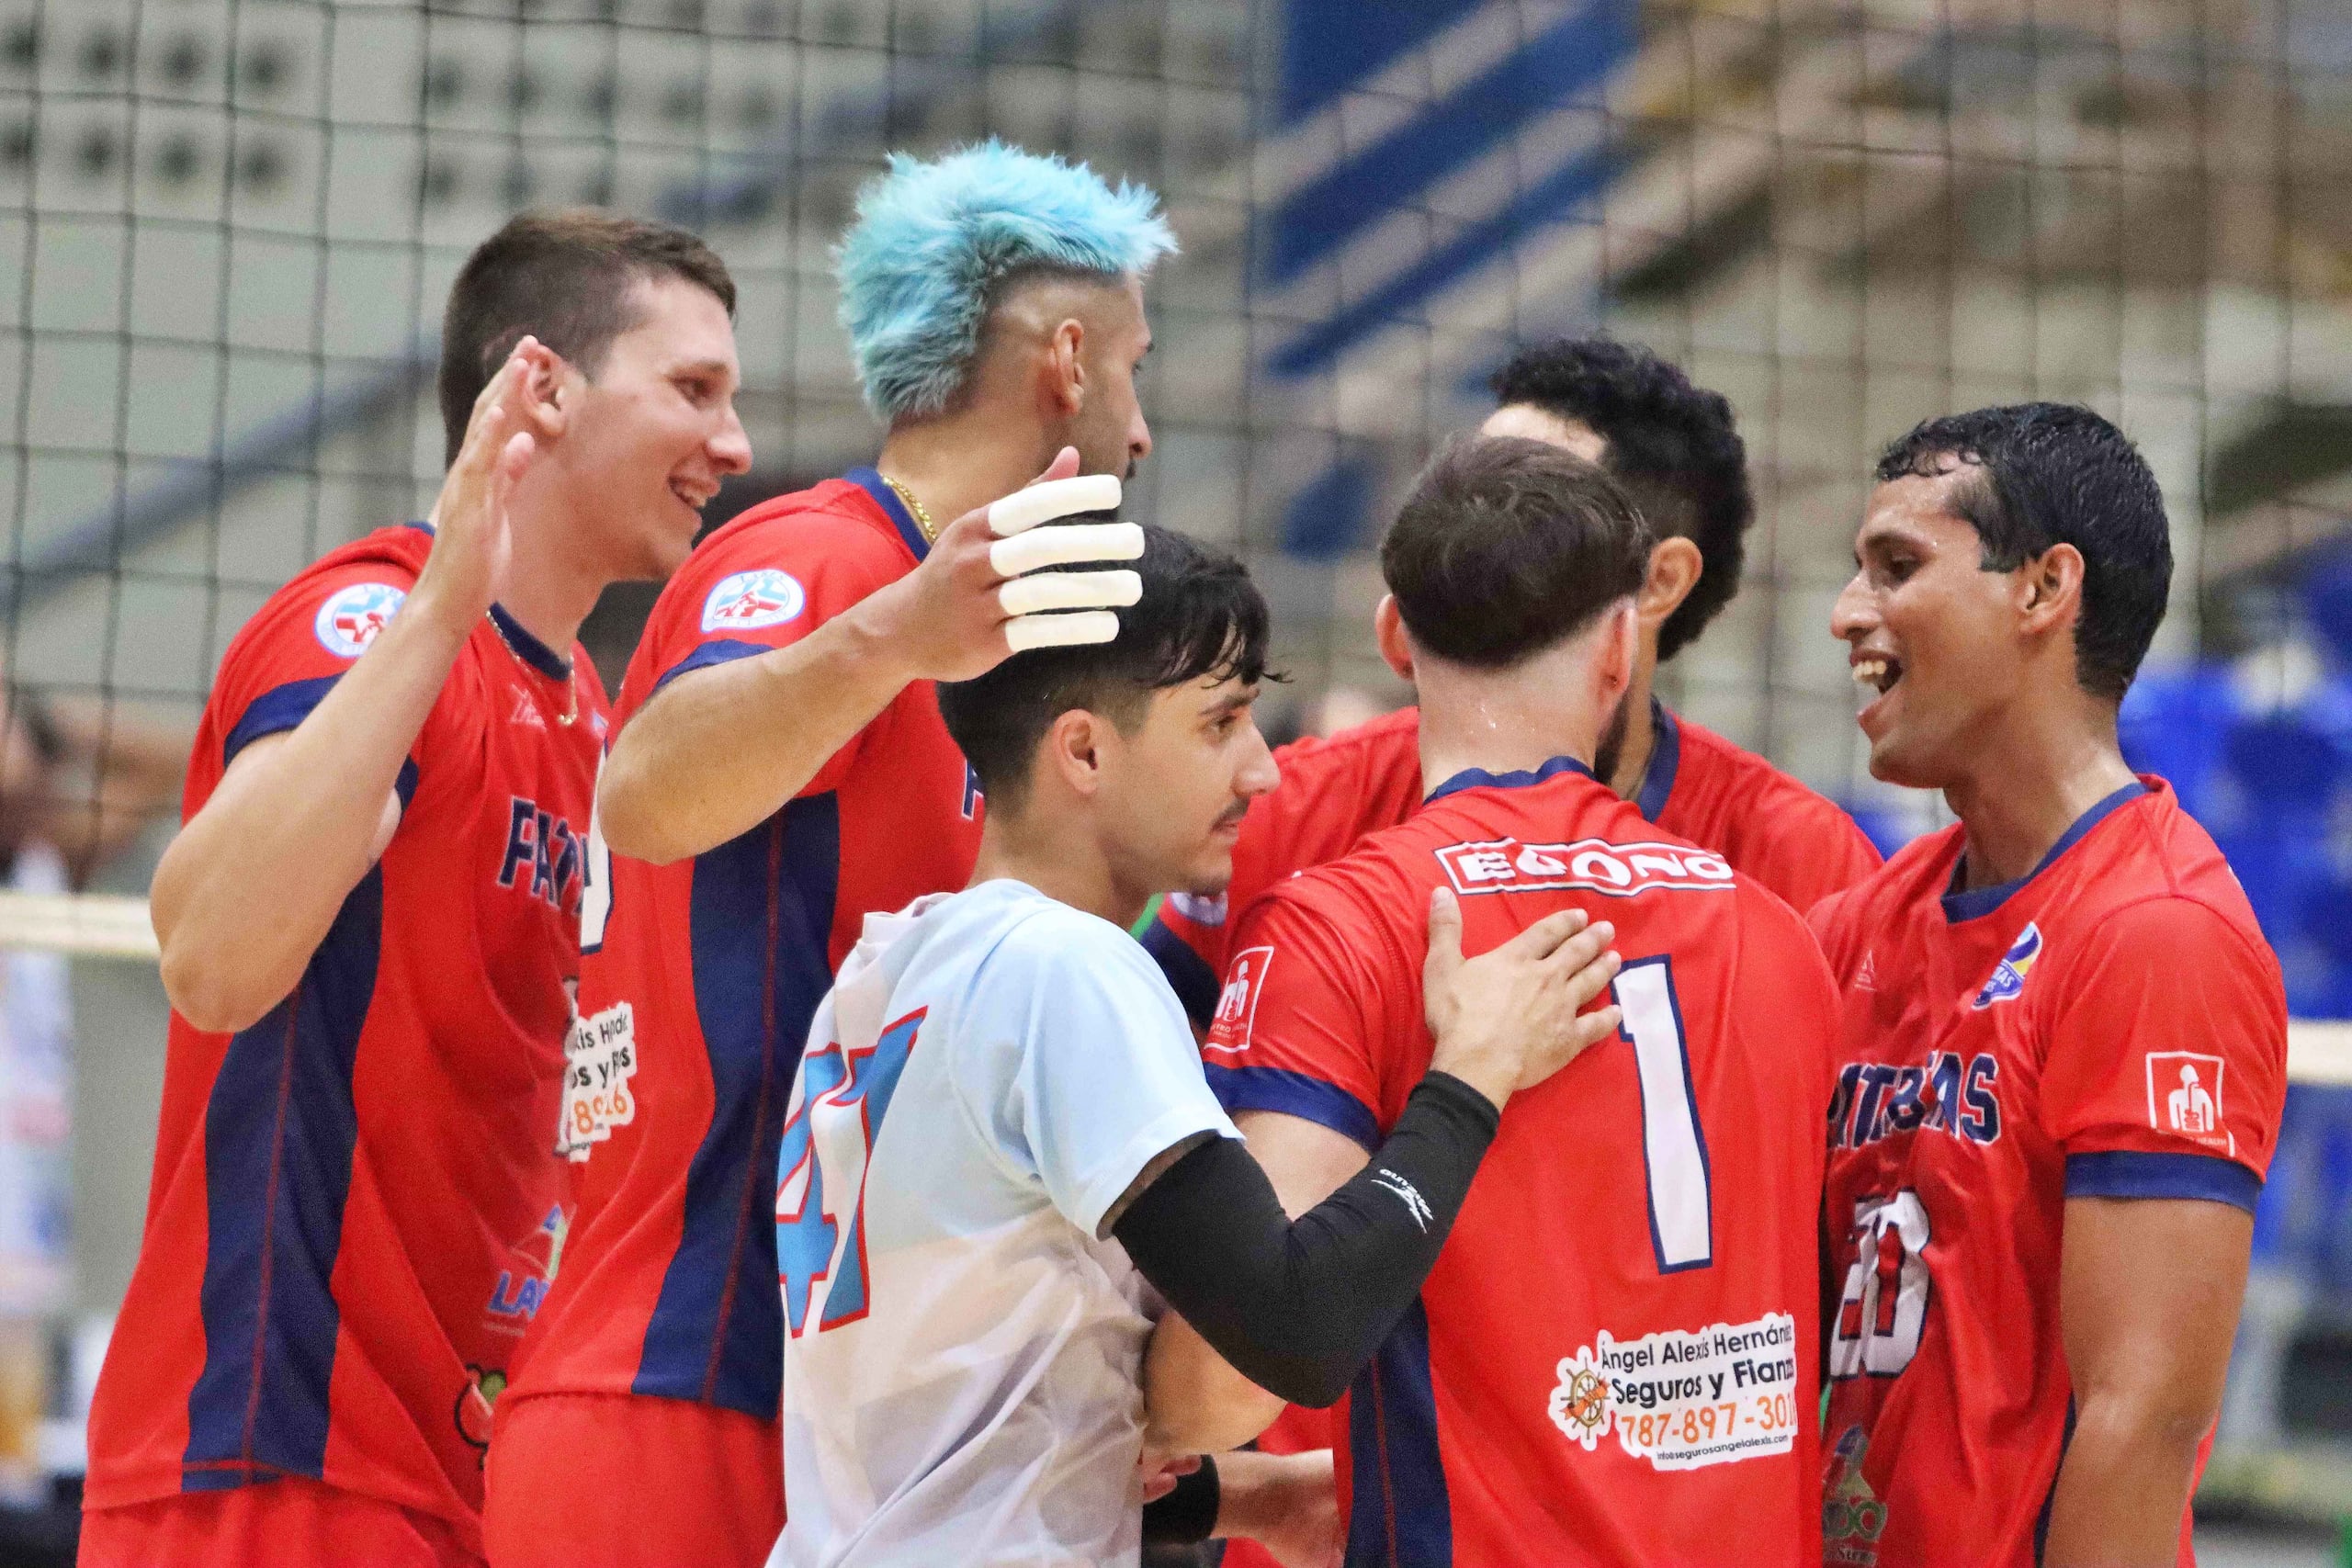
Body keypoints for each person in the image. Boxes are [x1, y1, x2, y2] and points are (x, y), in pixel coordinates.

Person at [487, 142, 1176, 1568]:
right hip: (689, 1389)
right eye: (1136, 368)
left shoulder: (969, 640)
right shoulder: (830, 563)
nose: (1144, 425)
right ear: (1066, 358)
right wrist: (899, 635)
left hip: (788, 1412)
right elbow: (650, 786)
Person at [79, 210, 752, 1568]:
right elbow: (209, 951)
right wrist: (445, 606)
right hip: (278, 1458)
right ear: (542, 388)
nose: (733, 444)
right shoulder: (370, 622)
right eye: (693, 390)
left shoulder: (599, 720)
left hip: (471, 1471)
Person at [1143, 339, 1882, 1550]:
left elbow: (1219, 1381)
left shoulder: (1343, 914)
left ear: (1395, 631)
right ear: (1613, 643)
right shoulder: (1776, 927)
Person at [774, 525, 1623, 1567]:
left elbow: (957, 1446)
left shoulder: (880, 972)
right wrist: (1468, 1080)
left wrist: (1239, 1499)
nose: (1263, 769)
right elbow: (1295, 1325)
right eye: (1219, 722)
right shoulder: (1066, 968)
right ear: (1083, 750)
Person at [1810, 404, 2288, 1567]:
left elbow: (2143, 1419)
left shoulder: (2156, 934)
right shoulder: (1853, 927)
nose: (1846, 613)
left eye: (1897, 566)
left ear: (2042, 589)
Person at [1142, 335, 1880, 1033]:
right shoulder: (1292, 809)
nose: (1472, 517)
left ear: (1658, 582)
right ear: (1397, 633)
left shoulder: (1804, 861)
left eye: (1532, 499)